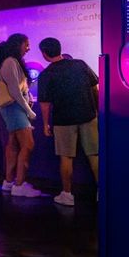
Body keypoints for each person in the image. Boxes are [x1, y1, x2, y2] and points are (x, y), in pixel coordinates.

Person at [37, 37, 99, 207]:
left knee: (66, 157)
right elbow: (95, 86)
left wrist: (45, 124)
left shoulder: (46, 75)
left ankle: (67, 195)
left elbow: (44, 104)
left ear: (44, 54)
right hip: (88, 115)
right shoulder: (80, 64)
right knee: (94, 154)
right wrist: (96, 109)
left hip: (63, 120)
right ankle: (103, 191)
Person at [0, 33, 44, 198]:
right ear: (18, 45)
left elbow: (20, 89)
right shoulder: (10, 62)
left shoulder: (12, 62)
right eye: (26, 44)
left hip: (15, 108)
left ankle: (9, 182)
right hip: (14, 108)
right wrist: (29, 110)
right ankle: (20, 185)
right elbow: (15, 91)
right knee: (28, 144)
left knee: (14, 143)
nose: (28, 48)